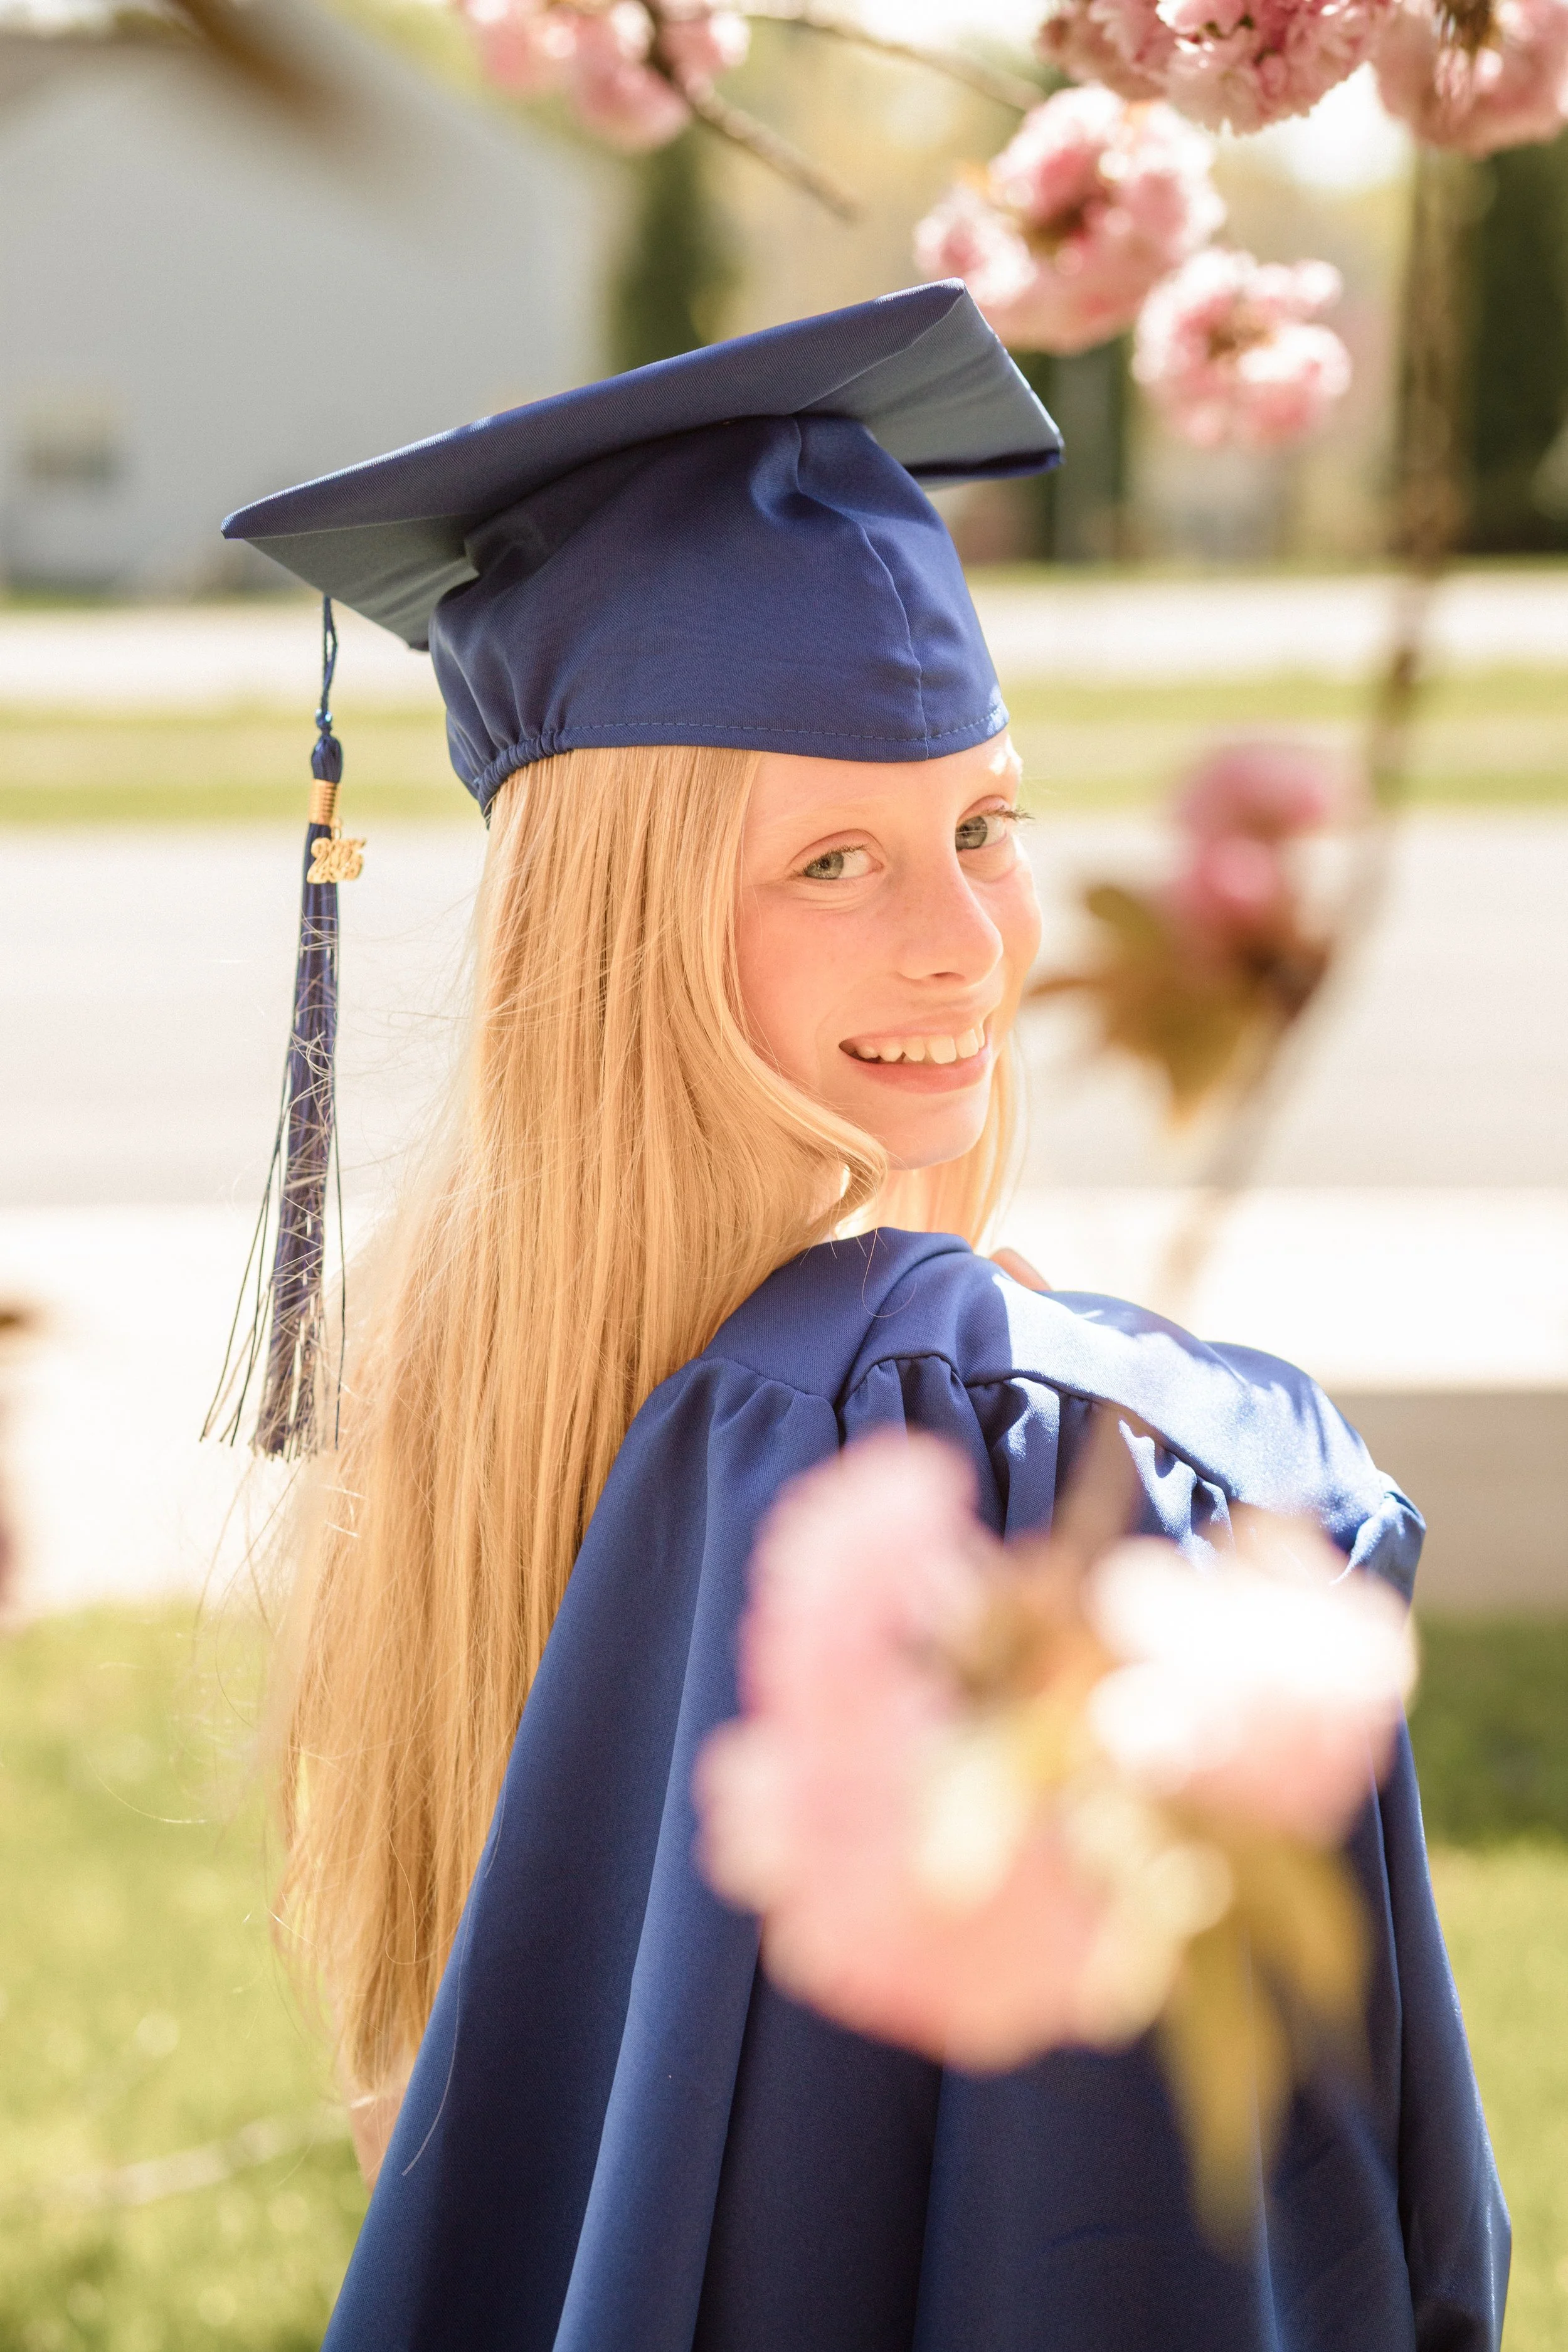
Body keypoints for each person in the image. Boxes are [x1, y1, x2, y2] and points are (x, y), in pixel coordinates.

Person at [226, 285, 1508, 2351]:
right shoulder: (988, 1453)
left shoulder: (467, 1414)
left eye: (983, 826)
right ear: (627, 927)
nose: (964, 949)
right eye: (832, 858)